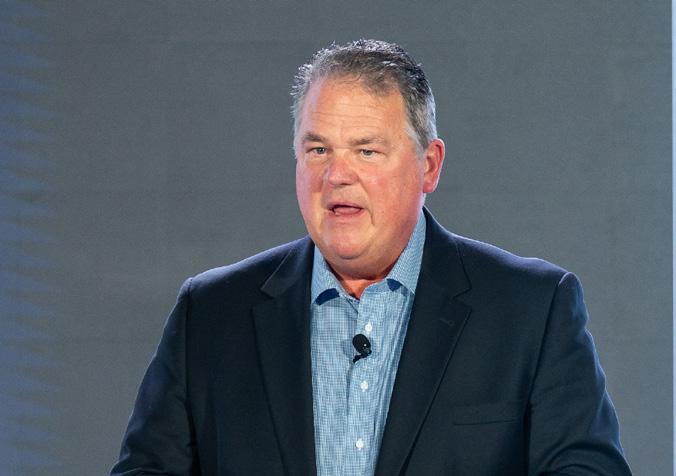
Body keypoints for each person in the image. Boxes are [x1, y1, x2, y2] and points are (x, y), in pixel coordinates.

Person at [111, 39, 631, 475]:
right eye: (318, 150)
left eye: (366, 150)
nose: (337, 176)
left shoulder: (532, 310)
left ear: (429, 166)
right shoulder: (210, 313)